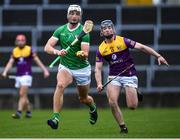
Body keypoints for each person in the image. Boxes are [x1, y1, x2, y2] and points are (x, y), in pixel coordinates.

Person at [95, 20, 169, 133]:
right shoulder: (101, 49)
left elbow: (142, 47)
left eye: (109, 27)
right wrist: (99, 83)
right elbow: (98, 69)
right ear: (101, 33)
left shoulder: (123, 40)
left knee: (132, 106)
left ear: (113, 29)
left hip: (129, 74)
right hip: (114, 76)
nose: (107, 30)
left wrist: (158, 56)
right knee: (112, 102)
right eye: (104, 28)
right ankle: (123, 127)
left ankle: (135, 90)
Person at [44, 4, 98, 129]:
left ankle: (92, 107)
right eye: (72, 13)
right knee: (60, 85)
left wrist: (81, 54)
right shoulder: (61, 30)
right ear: (67, 15)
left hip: (82, 69)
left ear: (80, 17)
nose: (74, 16)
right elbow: (47, 47)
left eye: (77, 14)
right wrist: (58, 52)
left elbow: (85, 54)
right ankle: (55, 118)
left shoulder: (84, 32)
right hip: (66, 66)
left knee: (83, 99)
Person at [2, 34, 50, 119]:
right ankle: (28, 110)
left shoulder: (29, 50)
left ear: (25, 41)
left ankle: (19, 112)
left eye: (22, 40)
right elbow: (10, 62)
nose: (20, 42)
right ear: (16, 42)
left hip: (27, 75)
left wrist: (44, 70)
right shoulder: (15, 51)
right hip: (18, 76)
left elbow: (37, 60)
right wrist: (5, 71)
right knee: (23, 95)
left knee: (21, 94)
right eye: (19, 40)